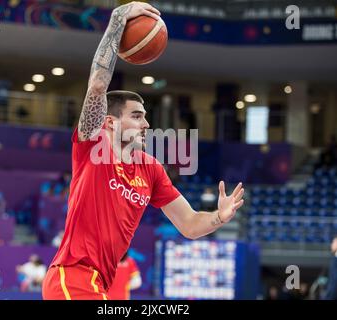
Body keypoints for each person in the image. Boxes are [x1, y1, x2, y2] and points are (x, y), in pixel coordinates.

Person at [42, 1, 244, 300]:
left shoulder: (151, 169)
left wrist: (218, 217)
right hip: (72, 276)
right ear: (109, 122)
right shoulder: (93, 145)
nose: (147, 123)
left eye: (145, 115)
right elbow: (98, 85)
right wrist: (118, 18)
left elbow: (188, 225)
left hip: (101, 284)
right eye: (137, 116)